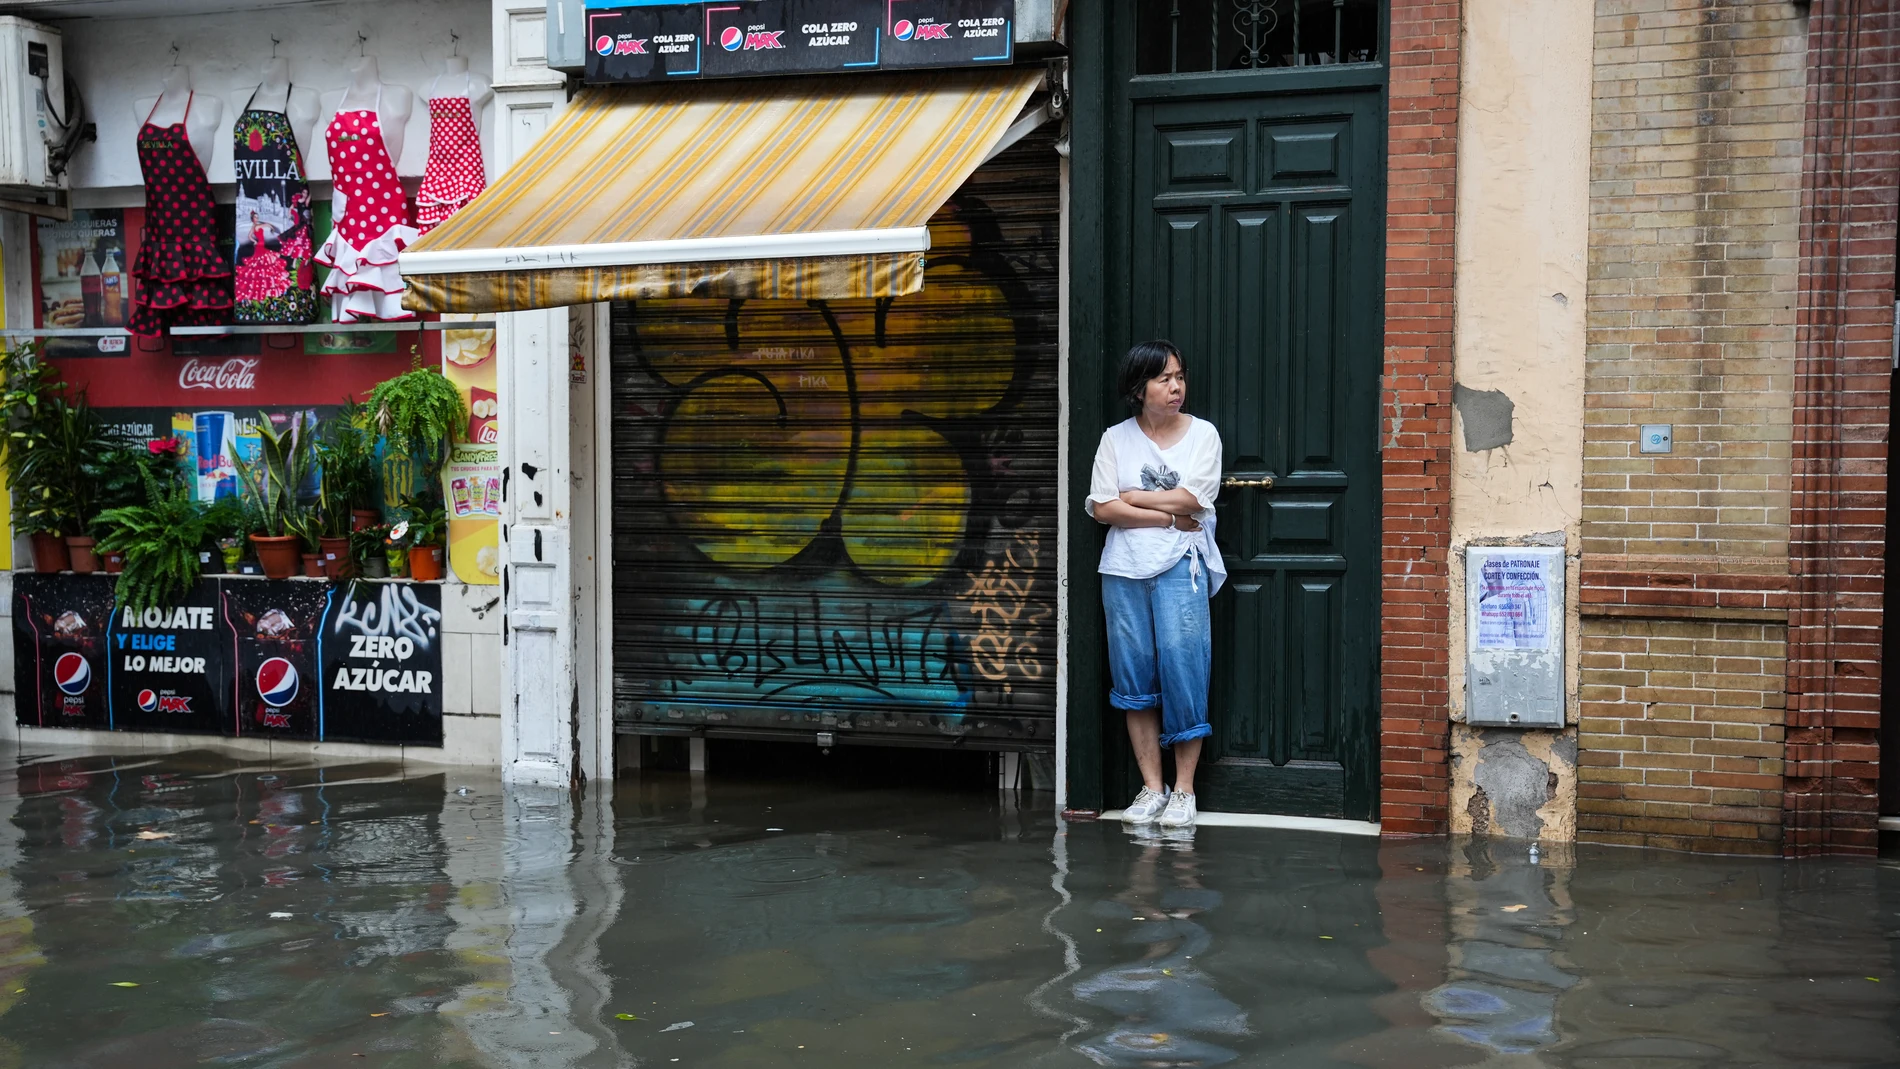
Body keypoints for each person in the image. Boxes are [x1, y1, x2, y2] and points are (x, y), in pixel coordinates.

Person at [1086, 340, 1225, 829]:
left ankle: (1184, 790)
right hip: (1123, 571)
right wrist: (1166, 518)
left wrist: (1136, 498)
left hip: (1179, 569)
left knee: (1186, 672)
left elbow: (1194, 498)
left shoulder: (1203, 435)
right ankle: (1152, 786)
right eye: (1164, 379)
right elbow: (1103, 508)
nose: (1175, 387)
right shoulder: (1115, 439)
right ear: (1138, 386)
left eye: (1180, 377)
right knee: (1133, 680)